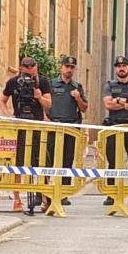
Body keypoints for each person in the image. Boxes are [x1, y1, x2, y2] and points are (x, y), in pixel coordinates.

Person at [0, 56, 52, 214]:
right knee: (18, 163)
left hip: (37, 125)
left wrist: (39, 97)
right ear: (21, 68)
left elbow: (49, 105)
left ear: (36, 67)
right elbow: (2, 100)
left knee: (42, 162)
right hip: (20, 125)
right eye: (26, 67)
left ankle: (45, 198)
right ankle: (17, 199)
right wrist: (9, 116)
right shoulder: (14, 82)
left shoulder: (42, 82)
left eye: (32, 66)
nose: (29, 69)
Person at [101, 55, 128, 207]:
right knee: (112, 161)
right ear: (115, 69)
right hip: (114, 126)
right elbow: (108, 105)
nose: (121, 68)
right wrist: (127, 103)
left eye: (124, 66)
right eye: (119, 66)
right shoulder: (109, 85)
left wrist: (118, 100)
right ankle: (111, 194)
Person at [46, 55, 87, 206]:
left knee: (66, 161)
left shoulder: (77, 87)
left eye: (71, 67)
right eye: (66, 67)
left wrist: (78, 98)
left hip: (71, 128)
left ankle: (63, 193)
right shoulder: (51, 84)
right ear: (61, 67)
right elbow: (45, 102)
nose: (69, 70)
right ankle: (43, 193)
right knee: (48, 160)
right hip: (54, 126)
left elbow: (84, 108)